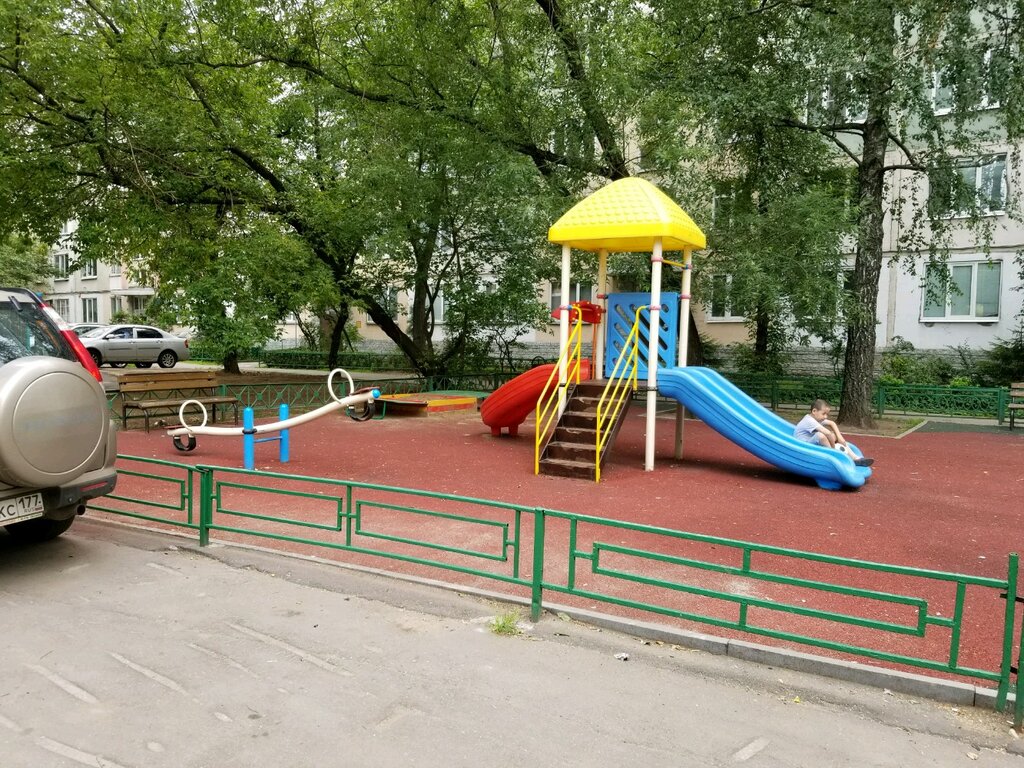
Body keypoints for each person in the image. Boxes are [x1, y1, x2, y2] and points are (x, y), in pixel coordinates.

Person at [794, 399, 874, 467]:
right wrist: (833, 447)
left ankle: (855, 458)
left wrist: (840, 438)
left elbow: (832, 423)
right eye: (823, 414)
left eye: (827, 414)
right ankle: (833, 454)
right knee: (821, 435)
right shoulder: (809, 420)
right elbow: (827, 433)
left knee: (833, 435)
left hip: (810, 442)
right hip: (802, 446)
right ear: (814, 411)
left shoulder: (817, 418)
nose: (825, 417)